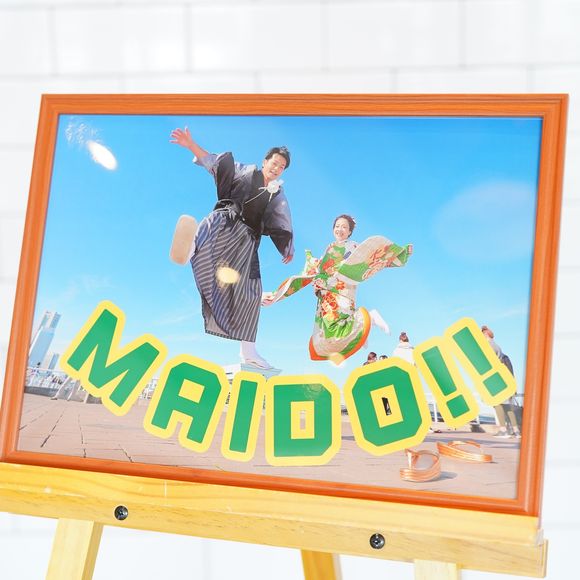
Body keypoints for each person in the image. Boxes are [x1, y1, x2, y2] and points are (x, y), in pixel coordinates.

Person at [170, 127, 294, 369]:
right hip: (227, 221)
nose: (276, 168)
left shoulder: (277, 194)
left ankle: (248, 352)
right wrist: (191, 145)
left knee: (252, 292)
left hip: (246, 242)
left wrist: (287, 247)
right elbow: (215, 164)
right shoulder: (243, 171)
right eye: (274, 162)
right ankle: (190, 248)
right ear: (265, 161)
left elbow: (281, 220)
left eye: (281, 167)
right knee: (212, 225)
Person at [263, 214, 412, 362]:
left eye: (344, 227)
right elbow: (316, 269)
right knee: (330, 334)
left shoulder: (353, 247)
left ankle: (370, 318)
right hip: (327, 295)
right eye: (337, 226)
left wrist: (398, 255)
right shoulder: (330, 247)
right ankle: (363, 329)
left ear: (350, 232)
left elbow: (371, 259)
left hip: (340, 291)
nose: (340, 229)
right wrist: (277, 295)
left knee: (335, 328)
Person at [481, 325, 521, 438]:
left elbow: (487, 363)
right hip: (505, 378)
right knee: (508, 406)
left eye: (481, 335)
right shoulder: (497, 346)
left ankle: (503, 430)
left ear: (486, 334)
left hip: (497, 379)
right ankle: (516, 431)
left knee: (496, 403)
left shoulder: (490, 346)